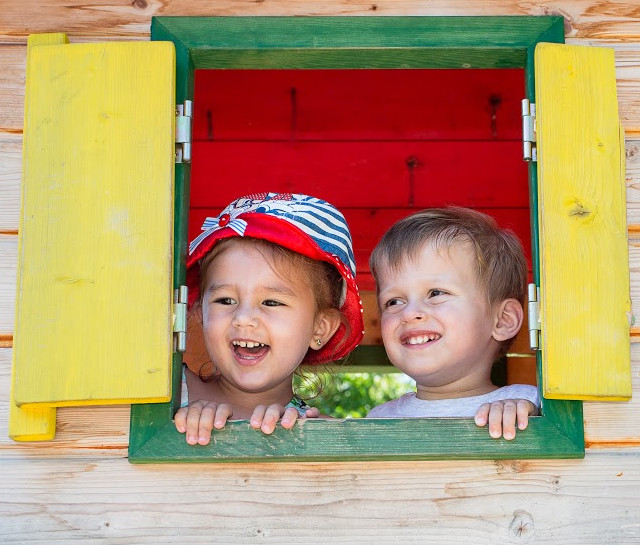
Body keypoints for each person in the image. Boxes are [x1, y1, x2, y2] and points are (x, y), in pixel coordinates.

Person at [174, 192, 364, 445]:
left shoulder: (316, 431)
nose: (243, 319)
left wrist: (317, 444)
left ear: (320, 328)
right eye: (225, 300)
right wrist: (174, 423)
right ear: (201, 311)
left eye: (271, 302)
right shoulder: (164, 394)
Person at [366, 207, 538, 440]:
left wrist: (528, 415)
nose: (410, 313)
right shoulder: (378, 420)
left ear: (503, 320)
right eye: (394, 301)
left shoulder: (530, 402)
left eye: (436, 293)